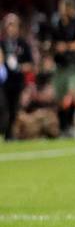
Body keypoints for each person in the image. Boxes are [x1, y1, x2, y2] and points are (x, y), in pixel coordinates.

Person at [39, 0, 75, 137]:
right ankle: (63, 126)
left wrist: (66, 46)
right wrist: (49, 48)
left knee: (72, 94)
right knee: (60, 97)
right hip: (60, 64)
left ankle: (70, 124)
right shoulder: (56, 23)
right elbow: (50, 42)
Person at [2, 12, 36, 140]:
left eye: (13, 25)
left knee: (14, 109)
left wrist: (20, 67)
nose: (11, 28)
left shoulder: (23, 44)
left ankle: (10, 134)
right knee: (3, 107)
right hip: (3, 82)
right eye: (9, 25)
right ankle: (5, 132)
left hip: (17, 82)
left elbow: (31, 64)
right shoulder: (2, 44)